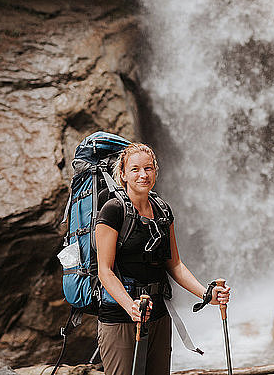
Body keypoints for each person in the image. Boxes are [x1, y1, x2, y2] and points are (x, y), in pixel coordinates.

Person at [95, 143, 231, 375]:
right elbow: (104, 270)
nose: (143, 175)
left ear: (156, 172)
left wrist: (207, 295)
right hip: (120, 318)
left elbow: (175, 264)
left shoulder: (163, 211)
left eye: (148, 168)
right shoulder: (113, 210)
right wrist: (131, 307)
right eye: (135, 169)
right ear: (123, 174)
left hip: (159, 313)